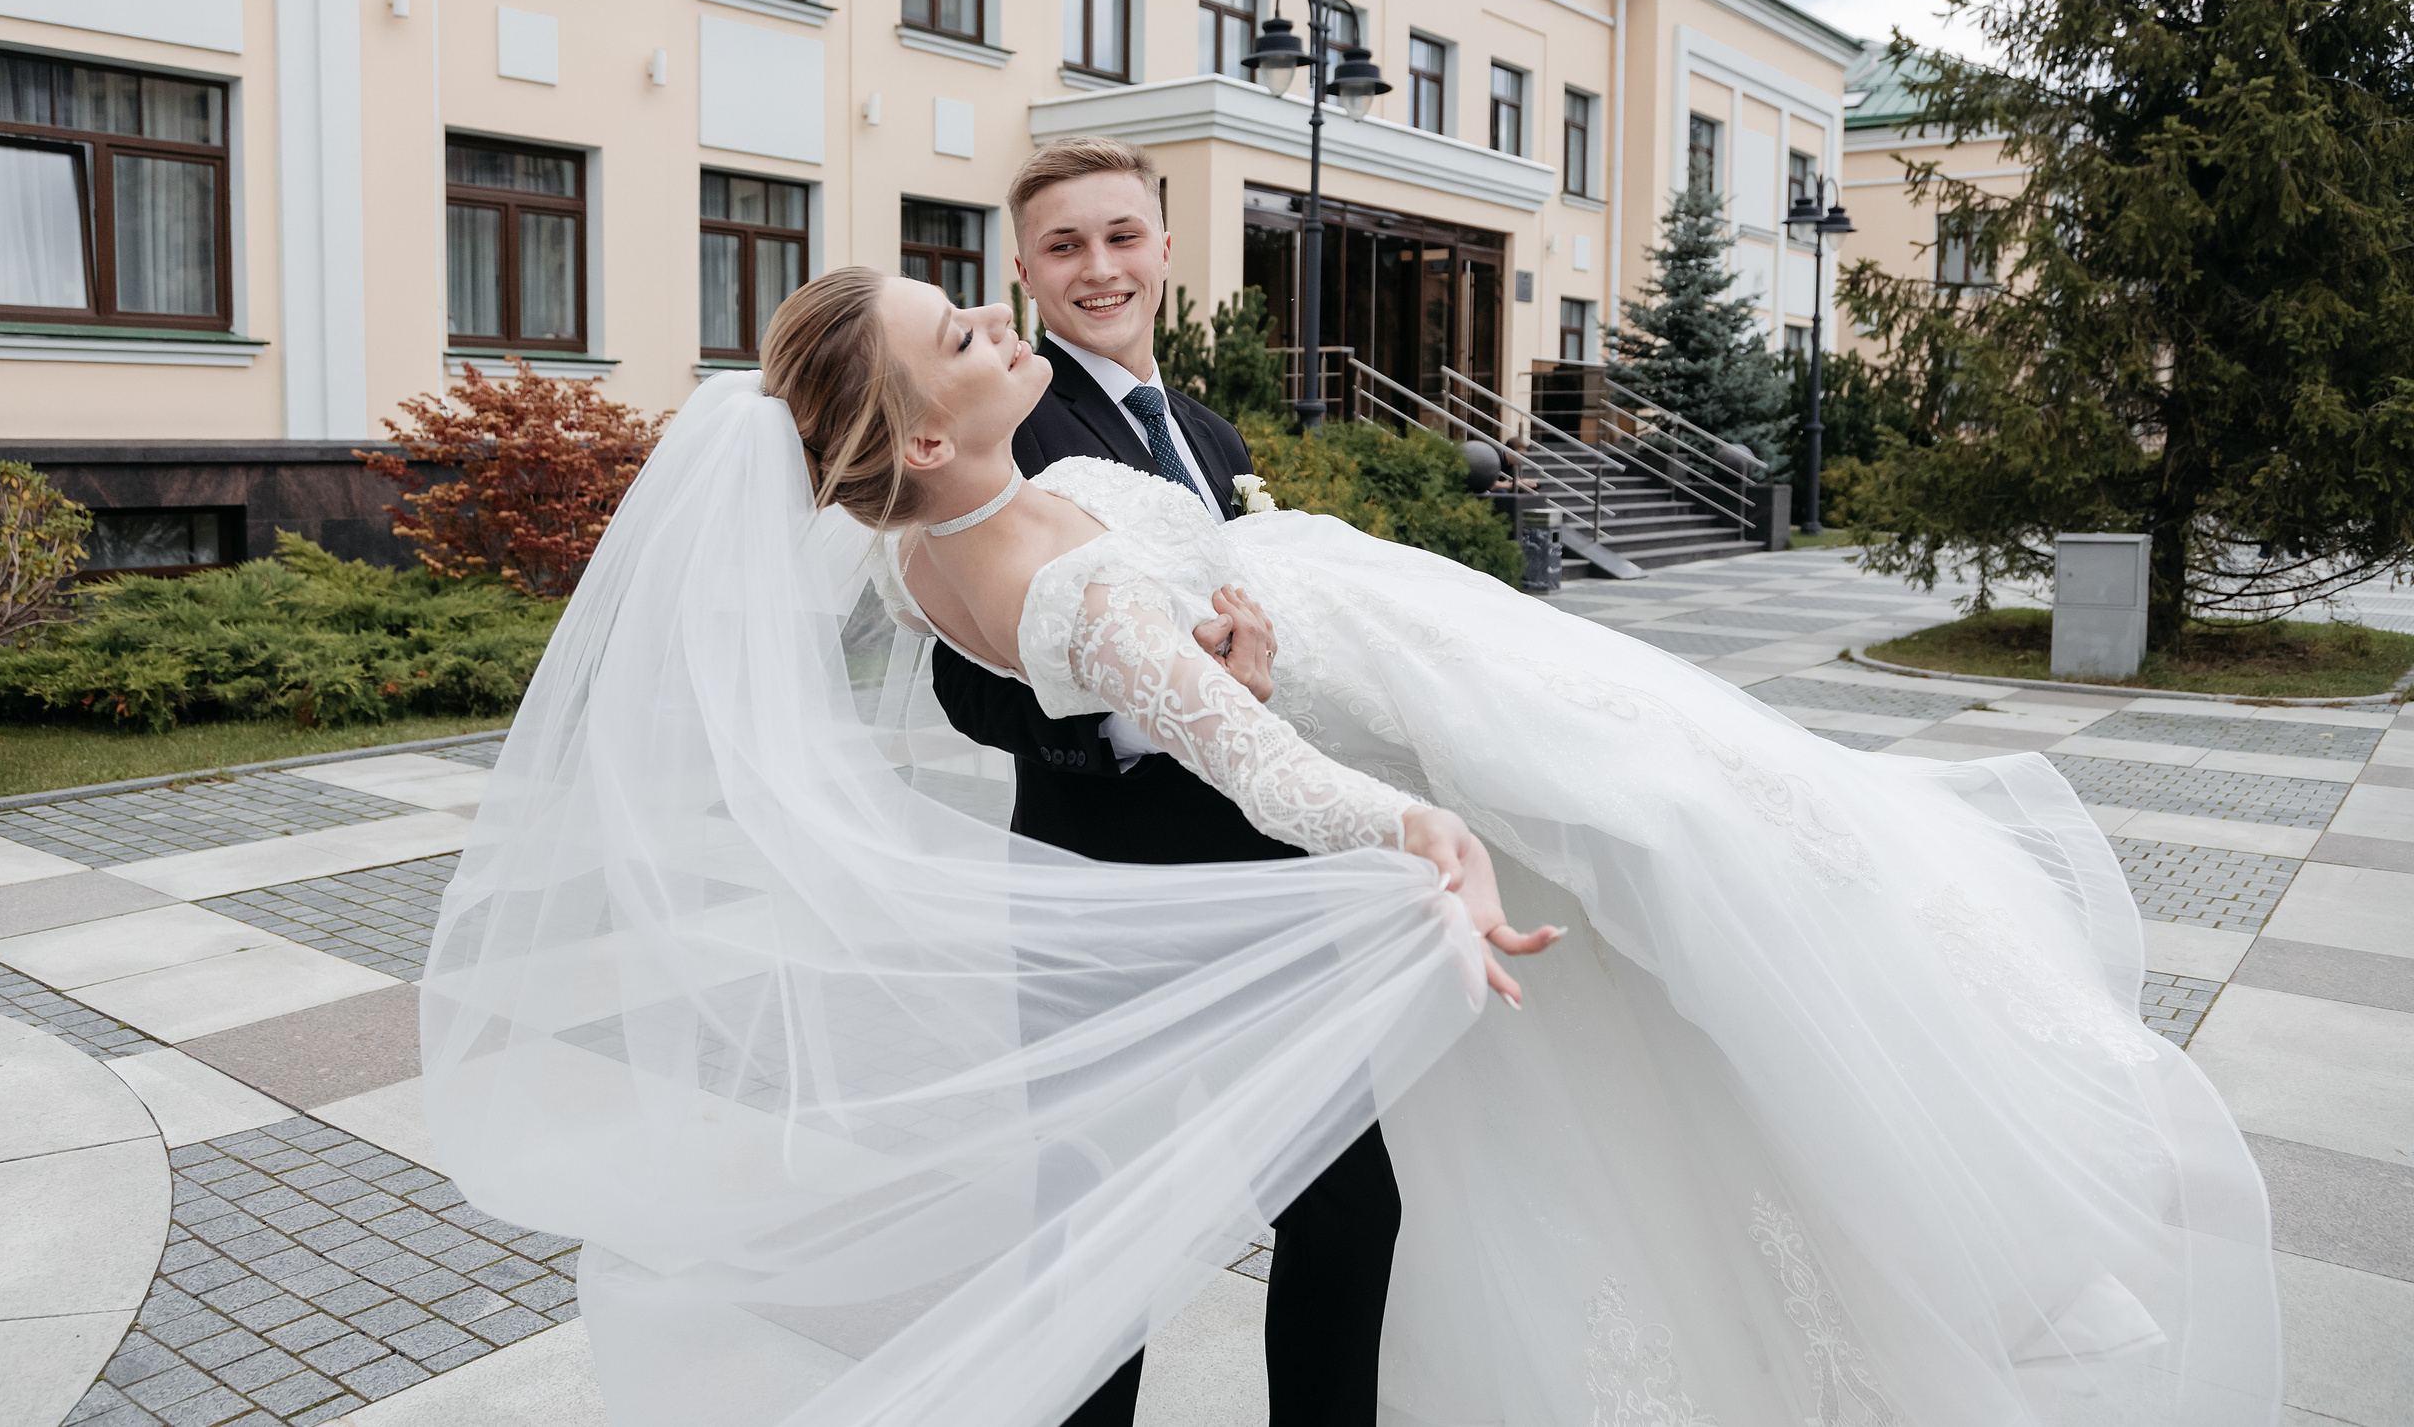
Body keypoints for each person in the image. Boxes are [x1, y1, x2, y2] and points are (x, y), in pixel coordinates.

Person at [423, 239, 2280, 1427]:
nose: (1002, 316)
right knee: (1692, 835)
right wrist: (1418, 830)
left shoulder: (948, 543)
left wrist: (1233, 610)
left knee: (1682, 845)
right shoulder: (1045, 581)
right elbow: (1248, 761)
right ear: (914, 436)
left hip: (1390, 653)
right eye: (966, 326)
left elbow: (1180, 636)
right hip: (1365, 770)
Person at [927, 137, 1423, 1427]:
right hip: (1107, 895)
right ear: (1027, 271)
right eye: (1063, 246)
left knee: (1347, 1204)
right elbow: (968, 678)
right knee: (1101, 1235)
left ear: (1163, 242)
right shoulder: (1003, 418)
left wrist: (1260, 675)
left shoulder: (1205, 429)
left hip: (1270, 886)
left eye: (1121, 236)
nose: (1100, 268)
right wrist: (1152, 713)